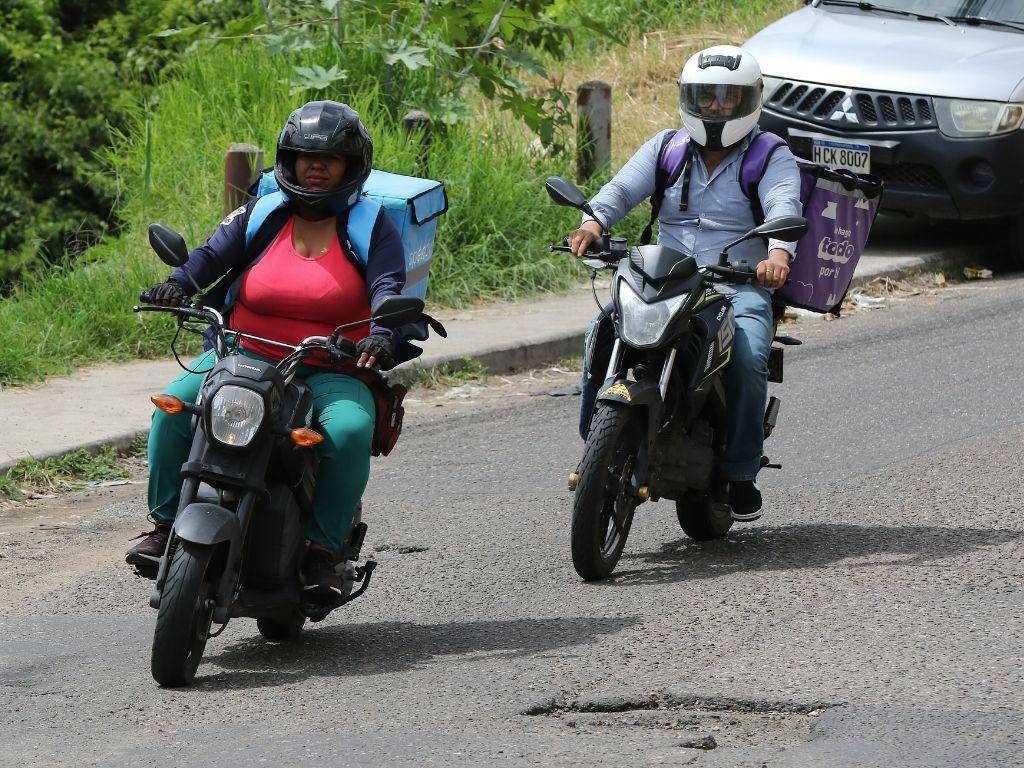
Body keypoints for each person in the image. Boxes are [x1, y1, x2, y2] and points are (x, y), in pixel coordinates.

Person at [126, 100, 405, 593]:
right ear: (288, 161)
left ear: (351, 166)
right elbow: (210, 257)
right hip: (240, 354)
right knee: (172, 409)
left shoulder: (372, 225)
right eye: (305, 158)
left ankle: (323, 551)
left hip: (327, 367)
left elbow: (388, 286)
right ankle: (166, 524)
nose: (315, 168)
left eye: (330, 160)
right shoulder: (261, 212)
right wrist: (177, 285)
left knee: (349, 431)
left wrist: (383, 331)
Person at [568, 45, 802, 522]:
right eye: (707, 97)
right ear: (688, 98)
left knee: (750, 353)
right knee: (600, 330)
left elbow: (783, 207)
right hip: (665, 276)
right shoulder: (666, 147)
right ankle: (594, 440)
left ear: (750, 100)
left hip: (734, 285)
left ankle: (739, 472)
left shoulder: (769, 154)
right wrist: (592, 224)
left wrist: (778, 253)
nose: (717, 107)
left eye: (728, 98)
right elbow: (621, 190)